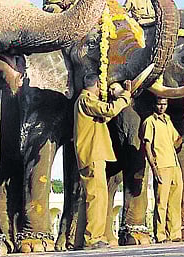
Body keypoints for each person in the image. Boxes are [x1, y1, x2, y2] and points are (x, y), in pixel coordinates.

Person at [74, 73, 132, 249]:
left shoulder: (87, 103)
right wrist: (125, 96)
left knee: (92, 197)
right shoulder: (86, 100)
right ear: (98, 84)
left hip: (94, 155)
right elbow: (109, 110)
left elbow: (105, 116)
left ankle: (80, 240)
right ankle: (93, 238)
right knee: (96, 197)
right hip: (92, 155)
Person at [141, 97, 183, 243]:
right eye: (159, 104)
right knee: (161, 203)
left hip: (174, 165)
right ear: (154, 104)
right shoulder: (149, 122)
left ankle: (175, 234)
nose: (161, 107)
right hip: (161, 165)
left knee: (175, 202)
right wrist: (154, 168)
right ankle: (160, 235)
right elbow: (147, 146)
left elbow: (177, 141)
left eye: (164, 104)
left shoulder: (168, 120)